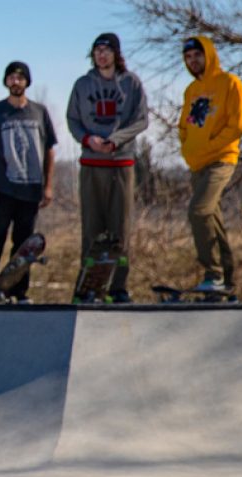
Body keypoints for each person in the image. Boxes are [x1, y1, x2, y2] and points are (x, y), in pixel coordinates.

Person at [66, 33, 149, 303]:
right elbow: (73, 118)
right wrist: (88, 139)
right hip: (91, 163)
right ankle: (89, 286)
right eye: (97, 51)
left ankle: (118, 287)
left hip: (121, 163)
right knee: (92, 229)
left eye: (106, 50)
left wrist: (115, 140)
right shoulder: (82, 85)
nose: (101, 55)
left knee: (120, 229)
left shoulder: (131, 83)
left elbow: (141, 120)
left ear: (116, 54)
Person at [0, 61, 57, 304]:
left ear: (27, 82)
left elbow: (50, 149)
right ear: (6, 81)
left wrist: (48, 185)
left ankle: (18, 291)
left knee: (24, 246)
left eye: (20, 78)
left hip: (30, 189)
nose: (15, 82)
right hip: (3, 188)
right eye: (11, 77)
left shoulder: (39, 112)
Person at [178, 36, 242, 293]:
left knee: (198, 210)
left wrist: (210, 146)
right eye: (188, 57)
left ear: (208, 55)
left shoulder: (229, 83)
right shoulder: (191, 90)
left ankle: (213, 273)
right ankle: (227, 280)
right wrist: (188, 148)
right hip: (197, 164)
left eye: (197, 55)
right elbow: (183, 125)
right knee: (212, 218)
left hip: (221, 160)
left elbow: (238, 126)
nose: (193, 61)